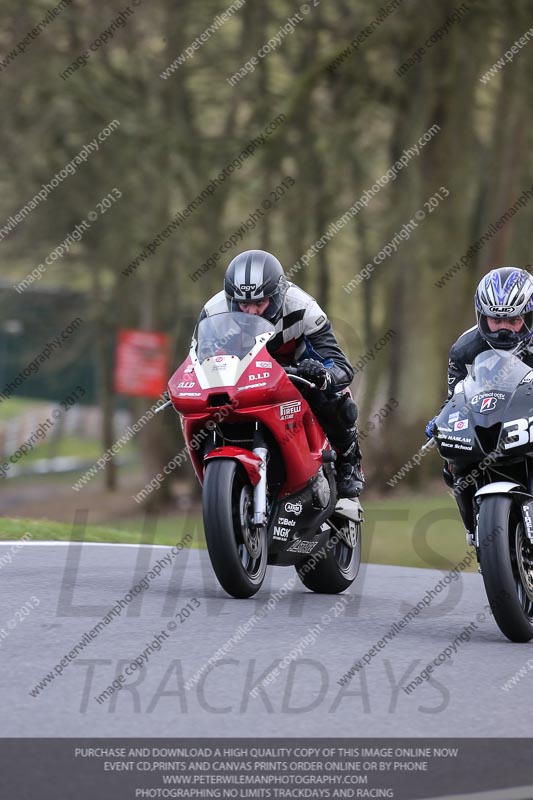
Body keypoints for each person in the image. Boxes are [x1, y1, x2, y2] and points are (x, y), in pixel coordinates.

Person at [196, 249, 364, 497]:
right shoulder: (214, 311)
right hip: (240, 379)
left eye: (259, 303)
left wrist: (322, 374)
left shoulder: (303, 307)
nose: (251, 311)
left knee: (333, 397)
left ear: (275, 296)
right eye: (243, 304)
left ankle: (349, 461)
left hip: (295, 372)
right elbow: (198, 361)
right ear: (232, 300)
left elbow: (341, 365)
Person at [426, 266, 533, 535]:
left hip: (527, 414)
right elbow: (455, 396)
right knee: (452, 464)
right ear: (482, 316)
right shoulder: (464, 349)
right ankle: (476, 530)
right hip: (491, 421)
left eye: (514, 320)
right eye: (496, 320)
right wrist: (442, 419)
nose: (504, 329)